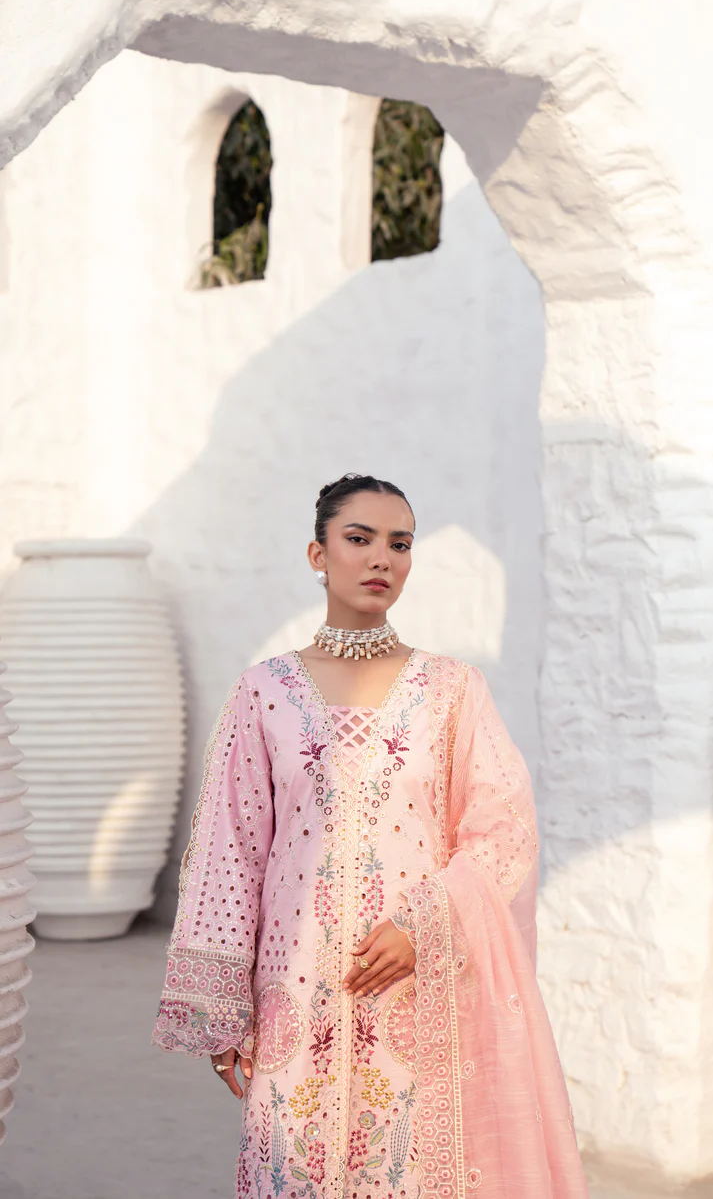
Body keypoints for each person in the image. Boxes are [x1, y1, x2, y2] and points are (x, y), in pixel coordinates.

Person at [152, 473, 590, 1199]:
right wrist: (223, 1009)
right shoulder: (265, 692)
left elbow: (504, 828)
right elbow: (231, 851)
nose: (382, 558)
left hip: (416, 980)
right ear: (317, 555)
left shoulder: (452, 690)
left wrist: (426, 924)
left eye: (400, 543)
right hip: (294, 984)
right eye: (359, 539)